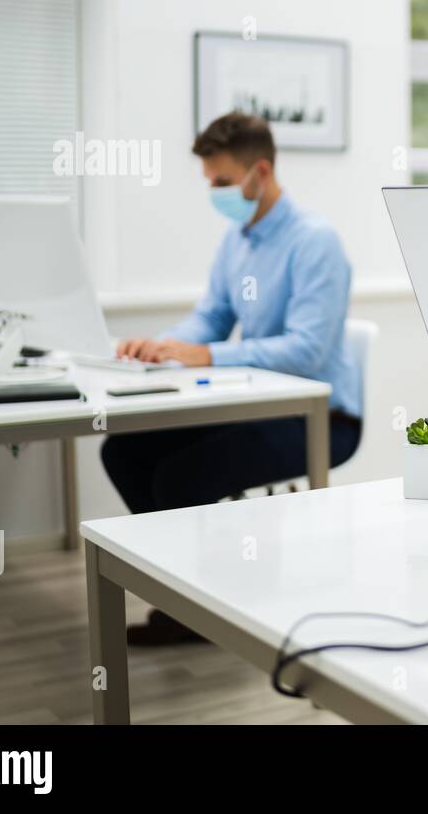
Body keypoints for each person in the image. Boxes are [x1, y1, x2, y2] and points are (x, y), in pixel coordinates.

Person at [101, 112, 363, 644]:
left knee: (180, 478)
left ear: (259, 172)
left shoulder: (316, 242)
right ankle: (200, 595)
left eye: (221, 182)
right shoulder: (237, 241)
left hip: (321, 418)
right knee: (124, 451)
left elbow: (307, 351)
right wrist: (162, 345)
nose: (215, 193)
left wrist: (208, 356)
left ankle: (199, 607)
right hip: (260, 404)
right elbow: (211, 319)